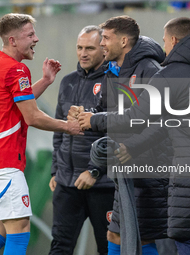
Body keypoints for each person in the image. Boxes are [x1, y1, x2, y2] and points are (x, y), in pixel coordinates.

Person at [78, 17, 190, 255]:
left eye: (165, 41)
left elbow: (136, 117)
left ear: (173, 40)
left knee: (186, 239)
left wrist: (94, 120)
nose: (164, 48)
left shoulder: (169, 76)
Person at [0, 13, 81, 255]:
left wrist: (46, 81)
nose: (36, 39)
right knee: (19, 230)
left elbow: (16, 103)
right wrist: (68, 126)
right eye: (30, 35)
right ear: (13, 40)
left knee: (1, 232)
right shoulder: (17, 70)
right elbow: (32, 116)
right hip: (4, 161)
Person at [70, 15, 172, 255]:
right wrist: (87, 114)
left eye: (106, 38)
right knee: (114, 234)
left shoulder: (151, 70)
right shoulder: (112, 70)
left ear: (124, 41)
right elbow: (106, 109)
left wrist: (95, 120)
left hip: (150, 168)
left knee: (143, 236)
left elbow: (150, 119)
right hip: (125, 167)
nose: (102, 43)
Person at [48, 25, 114, 255]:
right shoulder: (67, 81)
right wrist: (55, 170)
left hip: (103, 184)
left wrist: (95, 171)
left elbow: (117, 134)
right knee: (60, 246)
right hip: (67, 183)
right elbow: (59, 129)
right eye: (79, 47)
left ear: (104, 50)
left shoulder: (115, 81)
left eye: (89, 48)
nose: (83, 53)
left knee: (108, 247)